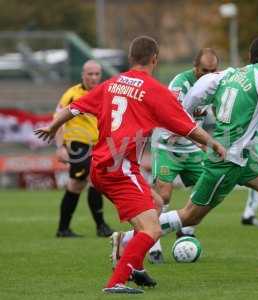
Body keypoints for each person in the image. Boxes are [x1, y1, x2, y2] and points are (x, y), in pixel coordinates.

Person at [113, 35, 258, 275]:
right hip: (226, 158)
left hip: (242, 153)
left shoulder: (229, 74)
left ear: (251, 57)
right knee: (190, 216)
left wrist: (185, 120)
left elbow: (193, 96)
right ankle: (127, 239)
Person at [35, 36, 226, 294]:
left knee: (157, 204)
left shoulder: (111, 84)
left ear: (130, 58)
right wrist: (212, 143)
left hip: (104, 164)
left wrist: (53, 126)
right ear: (155, 59)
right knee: (152, 228)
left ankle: (135, 266)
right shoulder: (154, 90)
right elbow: (188, 126)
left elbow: (75, 108)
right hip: (119, 167)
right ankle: (117, 280)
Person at [147, 48, 219, 263]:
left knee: (209, 190)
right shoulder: (180, 84)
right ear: (195, 67)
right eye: (204, 70)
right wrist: (204, 142)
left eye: (213, 70)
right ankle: (154, 245)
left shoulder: (215, 83)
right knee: (164, 195)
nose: (209, 75)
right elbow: (173, 120)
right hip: (167, 146)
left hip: (191, 148)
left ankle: (185, 229)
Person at [54, 60, 113, 238]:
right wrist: (61, 147)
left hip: (98, 145)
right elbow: (58, 119)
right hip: (79, 145)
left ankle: (63, 229)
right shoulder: (72, 94)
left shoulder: (105, 92)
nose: (94, 77)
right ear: (83, 75)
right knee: (93, 180)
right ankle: (101, 226)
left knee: (75, 185)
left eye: (97, 74)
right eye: (90, 74)